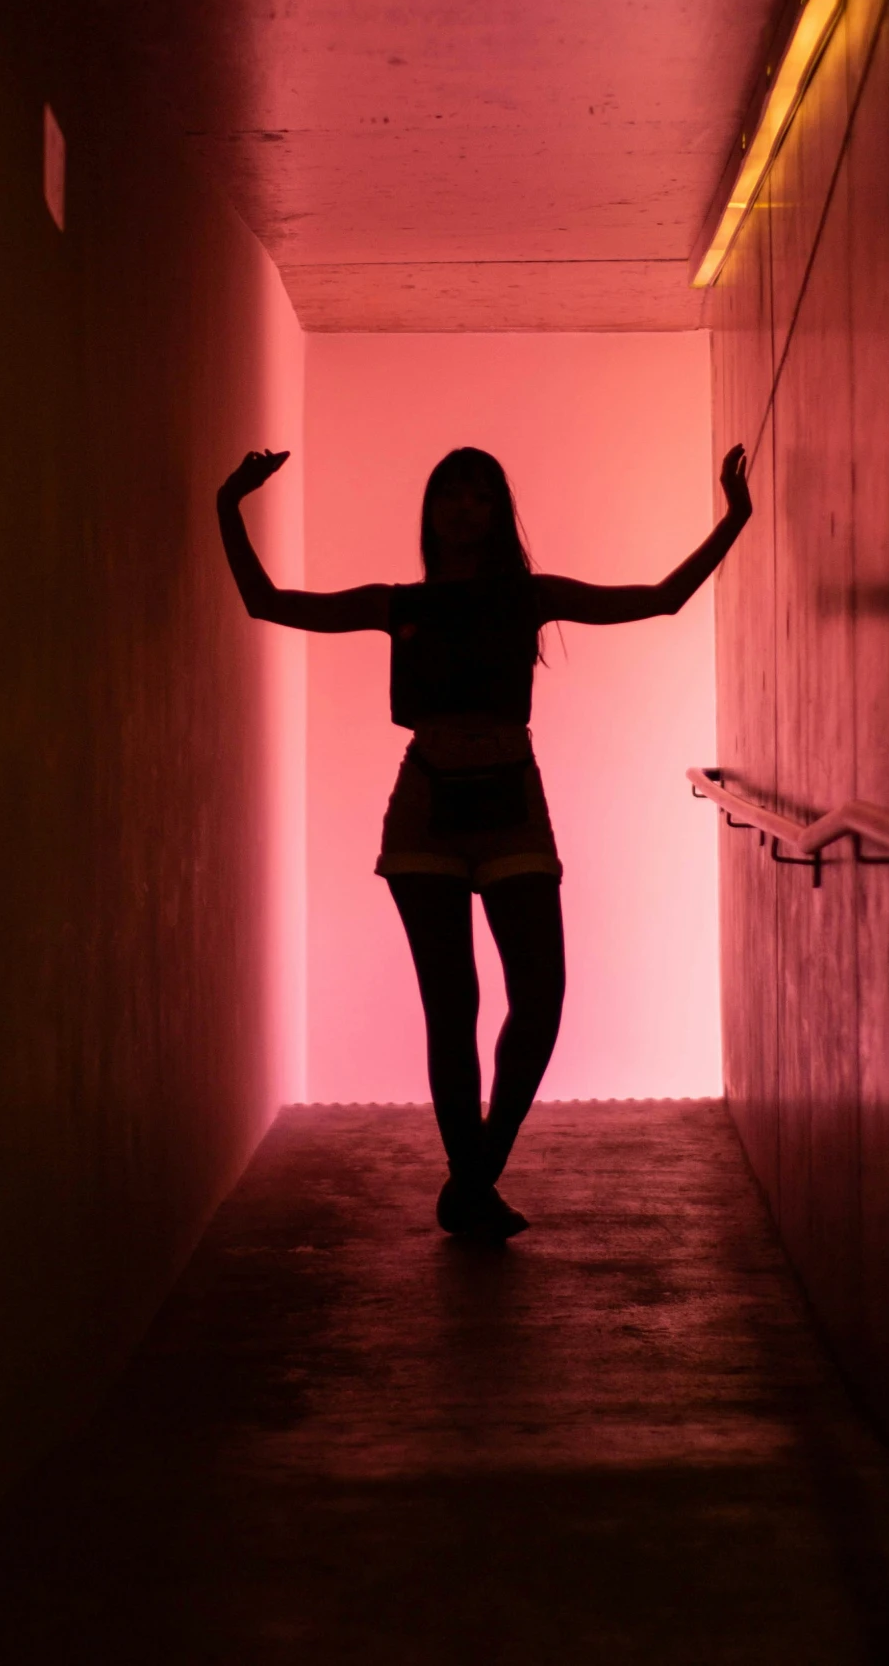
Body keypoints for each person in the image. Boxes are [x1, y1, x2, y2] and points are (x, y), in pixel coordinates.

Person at [217, 441, 753, 1242]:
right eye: (450, 494)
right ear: (429, 513)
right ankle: (472, 1188)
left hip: (511, 800)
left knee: (539, 999)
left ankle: (473, 1175)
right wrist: (228, 505)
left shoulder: (526, 596)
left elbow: (661, 598)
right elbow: (267, 603)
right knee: (453, 1008)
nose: (464, 506)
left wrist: (734, 517)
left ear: (499, 512)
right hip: (426, 805)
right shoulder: (400, 601)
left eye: (479, 494)